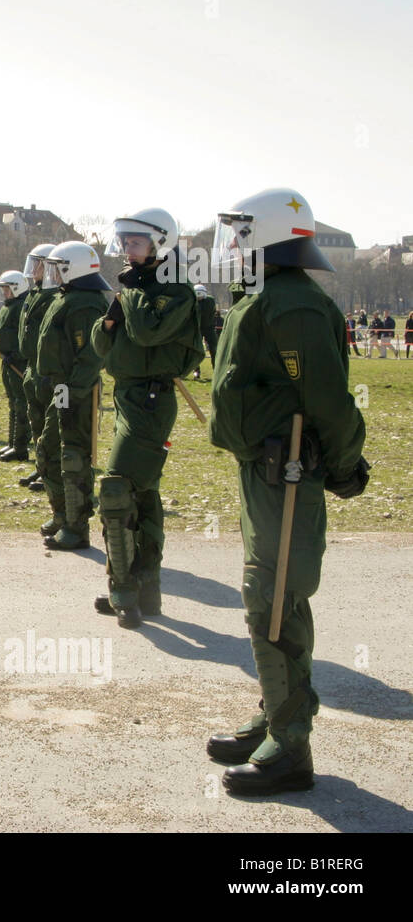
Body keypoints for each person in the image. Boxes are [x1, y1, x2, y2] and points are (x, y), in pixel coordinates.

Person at [206, 187, 367, 796]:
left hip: (290, 471)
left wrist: (348, 464)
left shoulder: (293, 305)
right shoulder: (268, 295)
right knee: (269, 591)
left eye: (242, 230)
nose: (233, 242)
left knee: (274, 598)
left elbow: (325, 397)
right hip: (266, 470)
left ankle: (291, 749)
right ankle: (279, 711)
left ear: (268, 235)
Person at [88, 209, 204, 627]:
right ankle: (146, 591)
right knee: (144, 493)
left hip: (152, 399)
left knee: (117, 489)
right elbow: (103, 341)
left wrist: (126, 299)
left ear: (160, 244)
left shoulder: (175, 290)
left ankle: (122, 589)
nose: (125, 250)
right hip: (128, 393)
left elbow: (146, 333)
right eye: (123, 242)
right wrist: (113, 314)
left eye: (134, 243)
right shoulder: (136, 287)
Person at [34, 241, 110, 550]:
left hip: (75, 390)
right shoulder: (68, 298)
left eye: (56, 268)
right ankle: (62, 514)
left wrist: (73, 395)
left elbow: (90, 356)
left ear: (71, 269)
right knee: (47, 449)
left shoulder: (85, 304)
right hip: (62, 388)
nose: (51, 274)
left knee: (73, 455)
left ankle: (77, 526)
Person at [18, 244, 58, 492]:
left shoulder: (52, 295)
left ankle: (51, 471)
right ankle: (41, 465)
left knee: (50, 425)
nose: (33, 270)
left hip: (47, 368)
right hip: (32, 365)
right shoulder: (34, 294)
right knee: (36, 418)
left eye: (38, 264)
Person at [0, 270, 32, 461]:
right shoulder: (7, 307)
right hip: (7, 362)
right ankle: (11, 442)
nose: (4, 293)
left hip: (18, 363)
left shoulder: (21, 307)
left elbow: (25, 336)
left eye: (7, 289)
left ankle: (20, 446)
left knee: (21, 403)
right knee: (12, 402)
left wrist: (15, 355)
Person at [193, 282, 218, 379]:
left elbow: (202, 310)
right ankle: (196, 370)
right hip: (197, 329)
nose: (198, 298)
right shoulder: (194, 302)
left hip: (209, 328)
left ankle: (216, 370)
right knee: (196, 351)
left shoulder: (209, 301)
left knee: (214, 349)